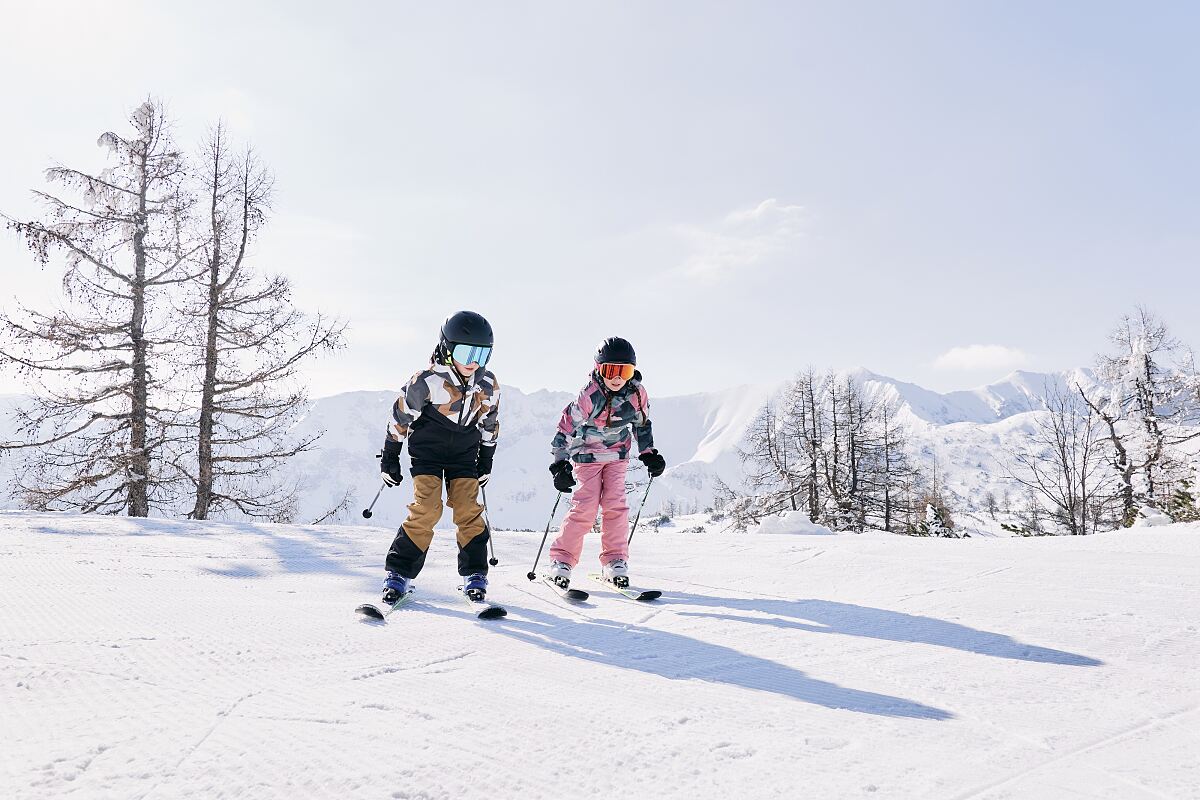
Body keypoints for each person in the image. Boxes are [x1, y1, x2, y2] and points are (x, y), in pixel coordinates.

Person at [377, 311, 500, 604]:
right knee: (427, 509)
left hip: (465, 457)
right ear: (447, 348)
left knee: (469, 510)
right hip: (428, 455)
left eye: (482, 355)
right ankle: (398, 573)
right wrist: (390, 456)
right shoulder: (426, 381)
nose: (473, 361)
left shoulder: (488, 384)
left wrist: (487, 458)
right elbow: (401, 416)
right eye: (466, 352)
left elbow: (490, 422)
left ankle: (475, 574)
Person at [546, 336, 666, 589]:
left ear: (632, 371)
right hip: (587, 455)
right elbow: (566, 427)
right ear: (599, 369)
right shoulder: (589, 395)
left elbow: (641, 424)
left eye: (624, 370)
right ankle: (562, 560)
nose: (616, 377)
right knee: (585, 507)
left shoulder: (636, 394)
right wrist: (560, 463)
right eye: (610, 370)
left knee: (616, 506)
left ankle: (615, 560)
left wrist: (649, 453)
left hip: (617, 456)